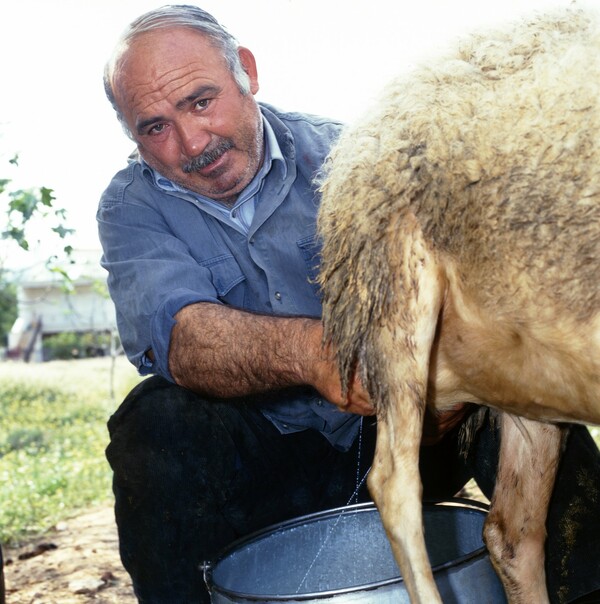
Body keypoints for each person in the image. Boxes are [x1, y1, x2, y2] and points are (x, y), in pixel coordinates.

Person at [98, 5, 600, 603]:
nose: (190, 141)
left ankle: (585, 587)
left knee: (529, 395)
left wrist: (439, 382)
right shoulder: (132, 208)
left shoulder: (359, 161)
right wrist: (322, 356)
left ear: (247, 73)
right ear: (133, 135)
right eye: (153, 127)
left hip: (412, 432)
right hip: (267, 460)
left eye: (201, 101)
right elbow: (180, 338)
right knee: (154, 423)